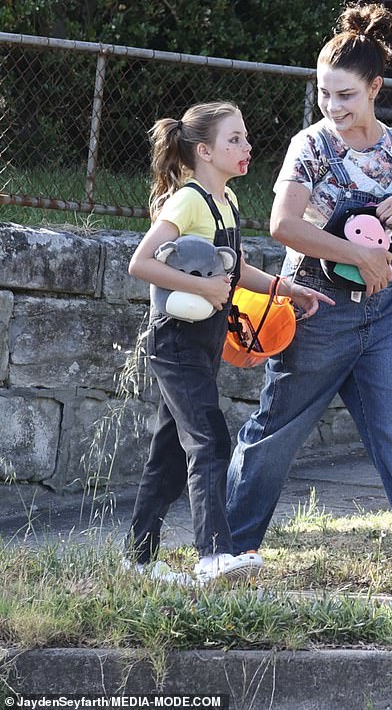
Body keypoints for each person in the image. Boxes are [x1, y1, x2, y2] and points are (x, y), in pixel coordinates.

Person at [226, 3, 392, 597]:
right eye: (324, 94)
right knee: (275, 435)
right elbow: (283, 225)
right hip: (317, 310)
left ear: (375, 88)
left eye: (345, 95)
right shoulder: (311, 146)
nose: (333, 107)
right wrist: (363, 255)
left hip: (385, 315)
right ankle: (227, 554)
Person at [125, 101, 332, 584]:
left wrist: (287, 289)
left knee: (171, 452)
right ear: (204, 151)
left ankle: (136, 560)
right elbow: (141, 263)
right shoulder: (188, 200)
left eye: (246, 137)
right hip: (174, 340)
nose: (247, 146)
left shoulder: (227, 202)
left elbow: (234, 270)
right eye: (234, 139)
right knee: (211, 440)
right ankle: (214, 556)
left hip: (204, 341)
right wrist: (203, 288)